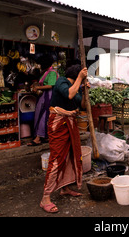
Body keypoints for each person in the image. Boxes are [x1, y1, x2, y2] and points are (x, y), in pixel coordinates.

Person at [39, 64, 88, 213]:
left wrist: (85, 91)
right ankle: (45, 198)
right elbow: (69, 95)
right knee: (57, 158)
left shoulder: (76, 86)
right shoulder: (62, 82)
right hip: (58, 123)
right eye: (79, 75)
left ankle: (64, 187)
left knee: (71, 154)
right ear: (76, 74)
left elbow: (83, 105)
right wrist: (80, 77)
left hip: (70, 123)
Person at [28, 55, 59, 146]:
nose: (40, 66)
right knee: (39, 114)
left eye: (41, 64)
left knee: (44, 115)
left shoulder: (52, 72)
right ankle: (44, 136)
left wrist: (37, 87)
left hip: (48, 96)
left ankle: (38, 138)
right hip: (43, 96)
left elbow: (50, 85)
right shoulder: (46, 72)